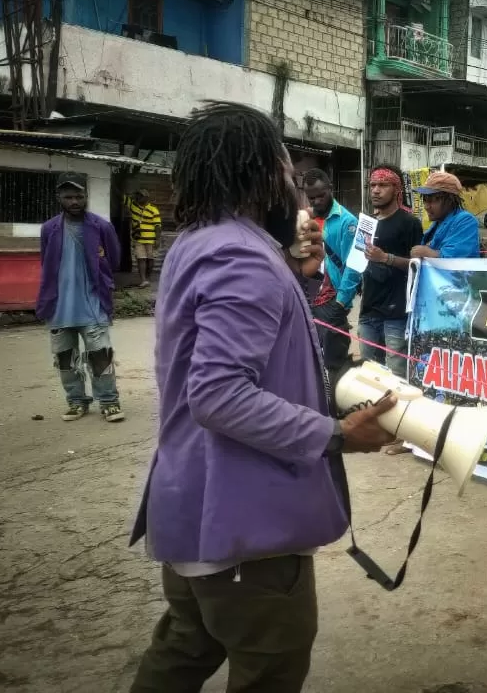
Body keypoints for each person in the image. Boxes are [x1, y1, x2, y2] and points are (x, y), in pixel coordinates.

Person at [128, 101, 398, 693]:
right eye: (286, 173)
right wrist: (334, 434)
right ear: (260, 174)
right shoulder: (241, 257)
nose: (293, 191)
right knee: (270, 666)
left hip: (195, 507)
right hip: (241, 525)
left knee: (184, 648)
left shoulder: (200, 241)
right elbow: (218, 395)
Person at [36, 172, 125, 423]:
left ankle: (109, 402)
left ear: (86, 196)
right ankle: (76, 402)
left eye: (79, 196)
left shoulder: (102, 227)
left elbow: (114, 260)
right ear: (59, 198)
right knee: (66, 359)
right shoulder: (49, 229)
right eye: (68, 197)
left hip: (93, 303)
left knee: (100, 355)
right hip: (58, 306)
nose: (74, 201)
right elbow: (47, 263)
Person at [359, 164, 423, 378]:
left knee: (394, 375)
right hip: (368, 310)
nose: (375, 190)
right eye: (372, 185)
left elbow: (419, 266)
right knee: (368, 373)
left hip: (396, 313)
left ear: (396, 190)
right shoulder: (368, 223)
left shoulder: (410, 223)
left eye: (383, 185)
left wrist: (386, 258)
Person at [306, 168, 361, 382]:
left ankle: (333, 408)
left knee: (332, 362)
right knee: (309, 359)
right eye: (312, 197)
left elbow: (354, 266)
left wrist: (341, 303)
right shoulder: (304, 218)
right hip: (307, 295)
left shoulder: (347, 222)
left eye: (321, 195)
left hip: (331, 300)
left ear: (331, 189)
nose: (317, 201)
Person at [410, 171, 481, 260]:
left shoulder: (466, 220)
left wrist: (426, 252)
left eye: (432, 200)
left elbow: (455, 259)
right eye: (425, 200)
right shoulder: (437, 223)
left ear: (450, 200)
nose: (426, 206)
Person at [126, 189, 161, 288]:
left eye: (140, 196)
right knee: (141, 259)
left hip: (151, 239)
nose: (138, 198)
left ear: (146, 198)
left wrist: (157, 239)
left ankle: (147, 278)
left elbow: (158, 226)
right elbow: (121, 196)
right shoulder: (133, 205)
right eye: (137, 196)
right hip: (138, 238)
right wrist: (131, 195)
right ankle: (144, 280)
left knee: (150, 260)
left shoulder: (153, 209)